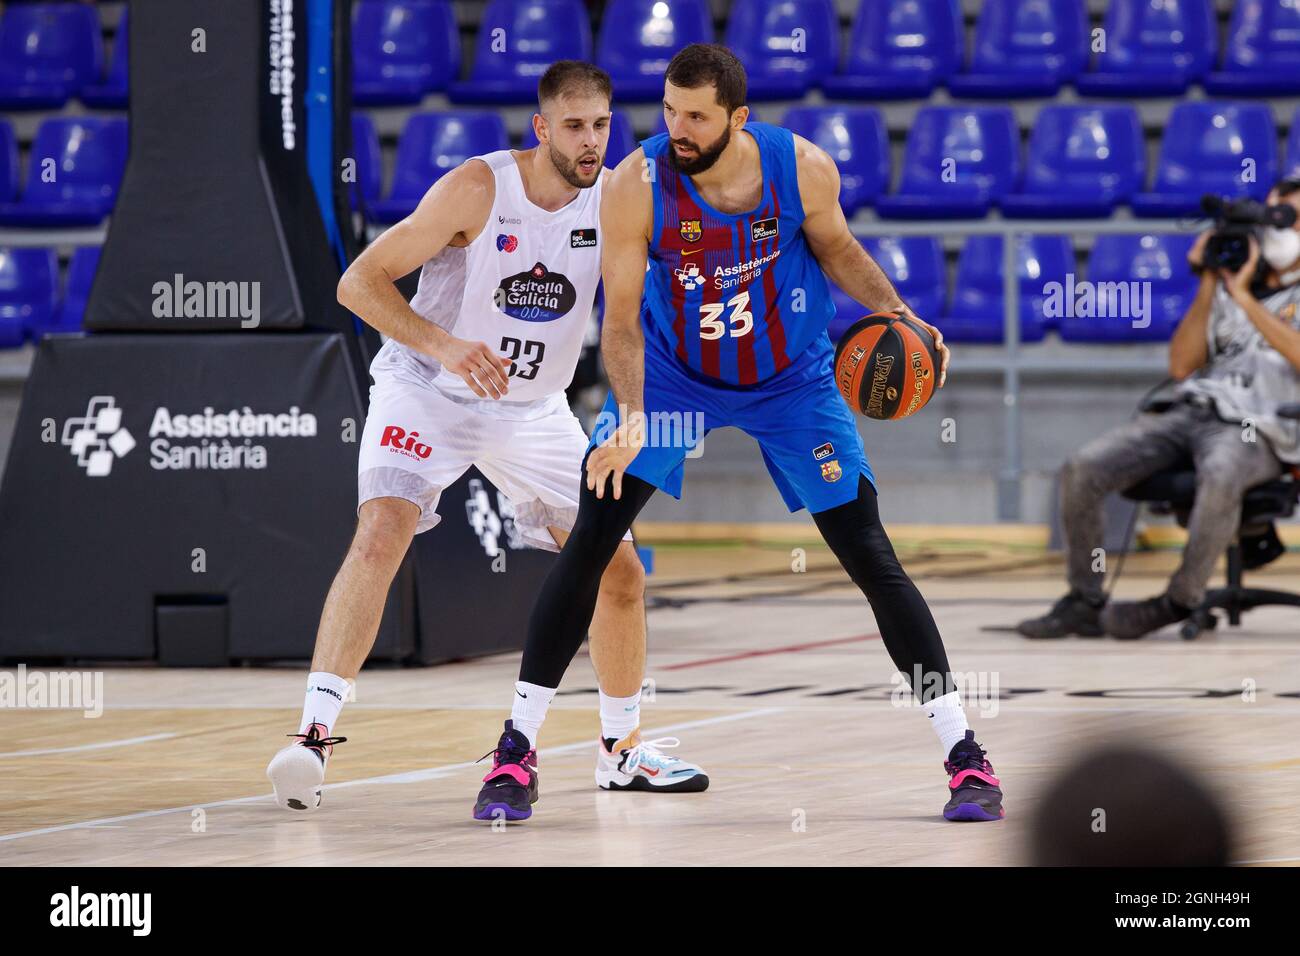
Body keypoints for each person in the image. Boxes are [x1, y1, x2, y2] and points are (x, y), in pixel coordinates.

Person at [474, 43, 1006, 824]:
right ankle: (516, 752)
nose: (676, 129)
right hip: (674, 381)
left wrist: (897, 314)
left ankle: (966, 757)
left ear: (737, 118)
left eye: (695, 116)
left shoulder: (802, 170)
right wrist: (627, 419)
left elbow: (841, 252)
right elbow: (618, 321)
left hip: (791, 383)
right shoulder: (637, 184)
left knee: (869, 553)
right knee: (591, 538)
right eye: (668, 111)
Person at [266, 61, 707, 819]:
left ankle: (621, 751)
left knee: (622, 572)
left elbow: (626, 323)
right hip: (429, 389)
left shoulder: (617, 199)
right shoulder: (478, 187)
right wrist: (445, 346)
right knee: (382, 531)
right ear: (542, 129)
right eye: (573, 126)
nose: (590, 140)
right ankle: (311, 737)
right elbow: (359, 285)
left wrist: (631, 413)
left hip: (533, 410)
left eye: (601, 124)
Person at [1019, 177, 1300, 640]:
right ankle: (1084, 600)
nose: (1278, 228)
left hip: (1259, 426)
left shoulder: (1258, 294)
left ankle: (1179, 599)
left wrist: (1247, 300)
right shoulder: (1229, 283)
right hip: (1193, 408)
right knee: (1084, 467)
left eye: (1289, 217)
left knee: (1222, 472)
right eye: (1274, 215)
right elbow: (1182, 363)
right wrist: (1210, 280)